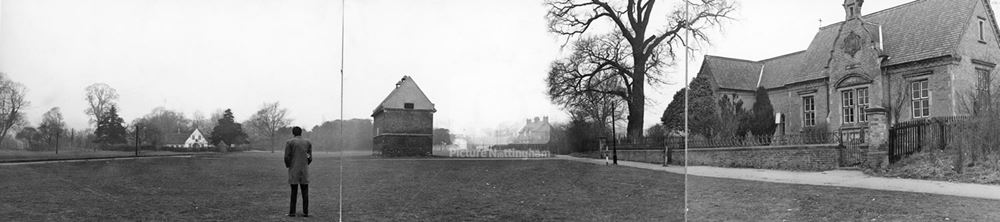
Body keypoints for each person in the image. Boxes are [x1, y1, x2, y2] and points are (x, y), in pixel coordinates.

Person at [284, 126, 313, 217]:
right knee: (305, 192)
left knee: (294, 192)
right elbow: (309, 157)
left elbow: (287, 157)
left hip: (294, 170)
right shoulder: (308, 142)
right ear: (301, 133)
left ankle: (292, 212)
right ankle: (306, 212)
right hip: (304, 170)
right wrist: (305, 164)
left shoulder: (290, 142)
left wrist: (289, 165)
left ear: (293, 133)